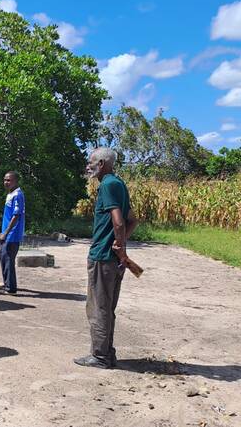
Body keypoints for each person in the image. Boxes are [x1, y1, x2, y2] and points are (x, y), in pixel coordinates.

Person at [74, 148, 138, 369]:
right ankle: (107, 353)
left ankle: (100, 356)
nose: (88, 166)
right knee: (107, 307)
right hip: (112, 258)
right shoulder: (119, 183)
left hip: (103, 257)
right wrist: (120, 247)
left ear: (101, 163)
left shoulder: (108, 185)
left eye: (91, 162)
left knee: (98, 307)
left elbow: (120, 222)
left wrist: (118, 246)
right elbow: (133, 221)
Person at [0, 171, 25, 295]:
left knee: (8, 259)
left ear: (16, 181)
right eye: (5, 180)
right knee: (3, 257)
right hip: (7, 233)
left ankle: (11, 288)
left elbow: (16, 216)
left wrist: (6, 233)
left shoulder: (18, 195)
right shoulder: (11, 194)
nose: (6, 182)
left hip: (12, 234)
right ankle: (7, 282)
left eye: (9, 180)